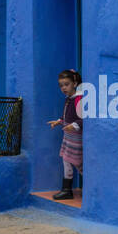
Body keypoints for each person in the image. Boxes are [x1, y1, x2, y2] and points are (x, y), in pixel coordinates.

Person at [46, 69, 85, 200]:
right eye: (61, 85)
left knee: (79, 163)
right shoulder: (69, 99)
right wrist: (59, 121)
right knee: (66, 160)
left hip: (76, 139)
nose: (63, 88)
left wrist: (73, 125)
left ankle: (92, 187)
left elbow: (83, 118)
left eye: (66, 84)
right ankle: (67, 189)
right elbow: (67, 116)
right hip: (68, 138)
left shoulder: (79, 99)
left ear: (74, 83)